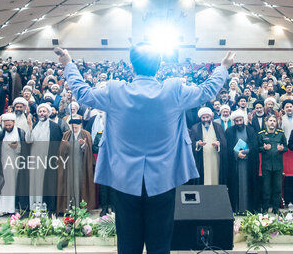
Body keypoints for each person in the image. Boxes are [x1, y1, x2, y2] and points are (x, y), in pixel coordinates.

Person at [56, 43, 233, 254]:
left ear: (132, 67)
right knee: (160, 246)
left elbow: (83, 94)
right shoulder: (174, 91)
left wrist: (68, 64)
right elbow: (207, 90)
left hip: (125, 182)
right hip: (163, 182)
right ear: (158, 65)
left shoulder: (115, 91)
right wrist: (223, 67)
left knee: (128, 246)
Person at [26, 102, 66, 212]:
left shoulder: (54, 127)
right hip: (35, 158)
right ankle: (35, 205)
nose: (42, 113)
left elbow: (59, 144)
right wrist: (29, 128)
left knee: (48, 182)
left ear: (48, 113)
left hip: (49, 158)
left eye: (44, 111)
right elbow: (28, 141)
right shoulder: (33, 125)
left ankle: (48, 206)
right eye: (40, 111)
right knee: (35, 181)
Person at [0, 113, 28, 216]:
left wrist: (17, 146)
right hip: (3, 163)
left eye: (10, 125)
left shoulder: (20, 132)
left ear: (14, 123)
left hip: (16, 163)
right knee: (3, 186)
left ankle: (13, 209)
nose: (8, 127)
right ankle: (2, 209)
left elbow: (25, 148)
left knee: (14, 186)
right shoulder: (1, 132)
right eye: (6, 125)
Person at [56, 115, 96, 213]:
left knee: (80, 184)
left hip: (81, 166)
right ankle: (69, 208)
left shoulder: (86, 134)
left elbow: (89, 152)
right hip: (69, 166)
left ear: (80, 125)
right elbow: (61, 152)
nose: (74, 129)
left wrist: (83, 145)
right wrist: (65, 146)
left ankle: (81, 208)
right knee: (69, 185)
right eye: (72, 127)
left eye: (76, 127)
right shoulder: (66, 134)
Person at [225, 109, 259, 213]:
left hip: (248, 163)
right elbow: (227, 147)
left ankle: (249, 209)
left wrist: (246, 152)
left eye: (240, 120)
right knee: (235, 186)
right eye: (237, 121)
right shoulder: (229, 131)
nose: (239, 123)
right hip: (235, 164)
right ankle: (236, 209)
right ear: (234, 122)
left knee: (248, 185)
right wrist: (236, 154)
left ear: (243, 119)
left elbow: (255, 145)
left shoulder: (250, 130)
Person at [189, 107, 227, 185]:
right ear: (200, 118)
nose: (206, 119)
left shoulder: (218, 127)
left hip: (215, 157)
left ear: (211, 117)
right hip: (201, 158)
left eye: (207, 117)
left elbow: (224, 142)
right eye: (203, 117)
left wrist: (218, 144)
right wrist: (198, 144)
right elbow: (191, 144)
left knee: (215, 177)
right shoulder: (195, 128)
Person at [257, 114, 287, 214]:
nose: (272, 122)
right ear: (266, 122)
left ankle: (276, 208)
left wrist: (283, 149)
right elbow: (257, 148)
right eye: (270, 120)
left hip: (278, 166)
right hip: (266, 166)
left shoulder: (281, 134)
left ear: (276, 123)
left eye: (274, 121)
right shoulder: (261, 134)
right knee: (266, 188)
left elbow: (286, 147)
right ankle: (265, 208)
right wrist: (263, 148)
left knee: (277, 188)